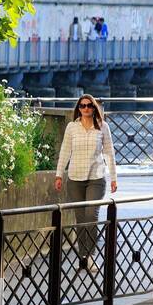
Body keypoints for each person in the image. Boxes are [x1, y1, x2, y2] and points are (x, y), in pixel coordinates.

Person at [54, 94, 118, 274]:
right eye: (82, 106)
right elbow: (65, 151)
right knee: (81, 220)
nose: (86, 108)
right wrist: (59, 175)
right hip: (75, 178)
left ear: (94, 107)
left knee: (91, 216)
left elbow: (109, 153)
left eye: (89, 105)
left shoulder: (103, 127)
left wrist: (113, 177)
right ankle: (83, 257)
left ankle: (89, 257)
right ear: (78, 108)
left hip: (96, 178)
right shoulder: (72, 127)